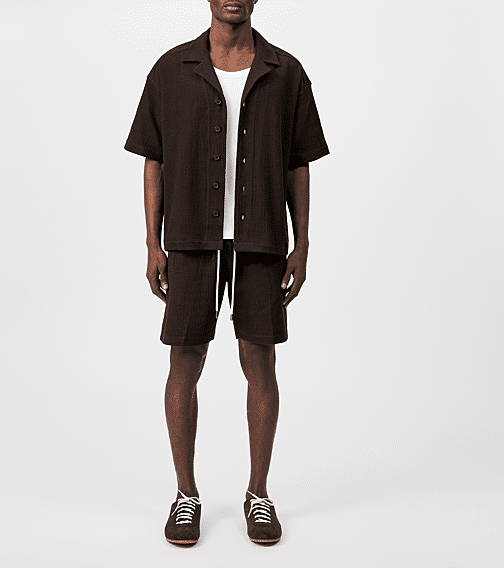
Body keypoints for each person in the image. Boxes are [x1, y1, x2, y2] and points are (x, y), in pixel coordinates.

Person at [124, 0, 329, 547]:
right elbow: (153, 158)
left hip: (261, 237)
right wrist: (152, 241)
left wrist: (302, 242)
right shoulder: (171, 70)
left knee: (260, 360)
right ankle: (185, 495)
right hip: (191, 236)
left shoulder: (286, 72)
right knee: (184, 360)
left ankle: (258, 494)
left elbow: (299, 162)